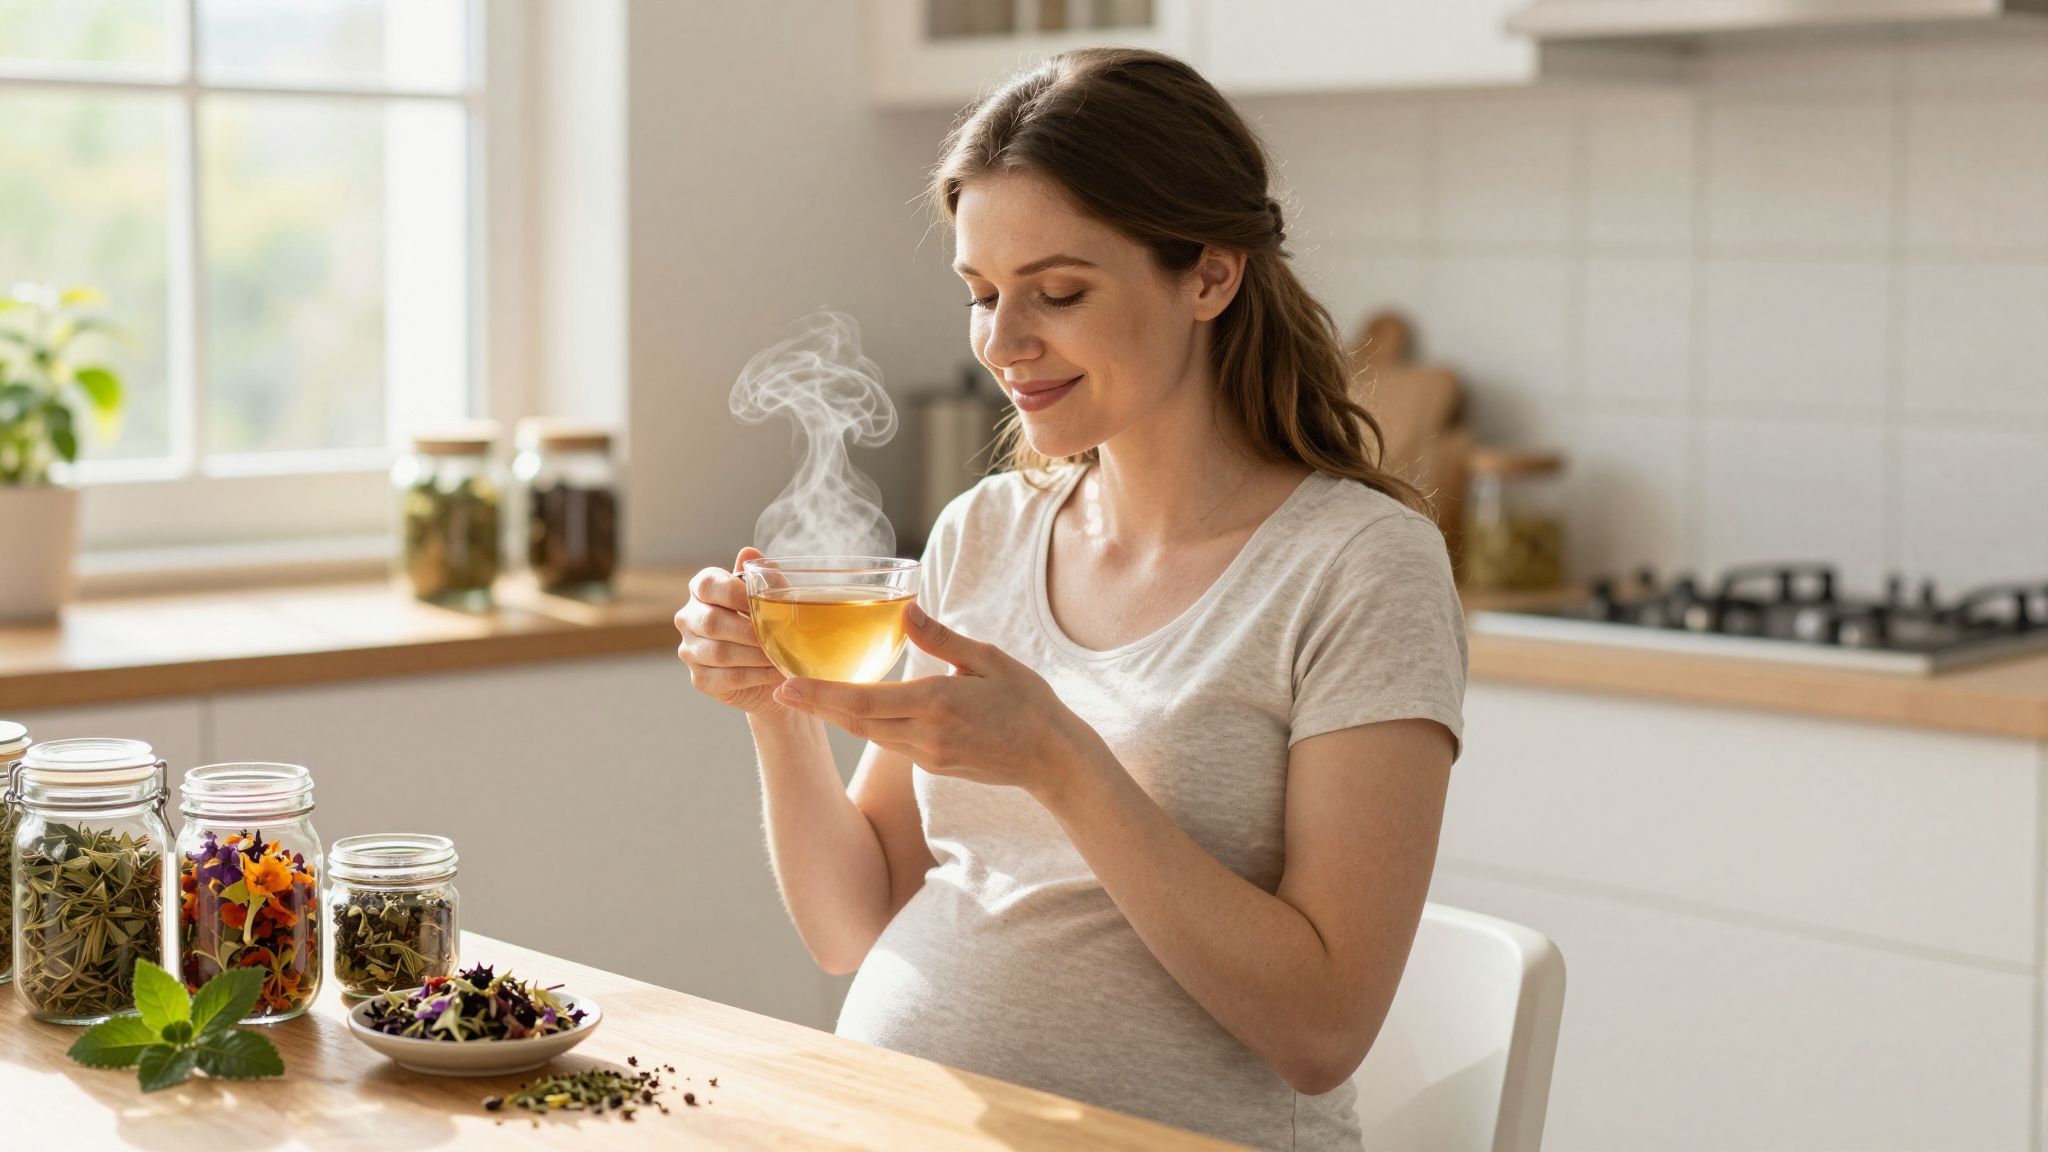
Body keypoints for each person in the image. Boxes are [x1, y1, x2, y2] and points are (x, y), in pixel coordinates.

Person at [675, 47, 1466, 1152]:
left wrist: (1060, 762)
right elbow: (853, 921)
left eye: (1058, 293)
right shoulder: (985, 531)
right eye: (981, 294)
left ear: (1209, 276)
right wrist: (778, 706)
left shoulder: (1359, 567)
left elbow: (1322, 1029)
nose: (1002, 343)